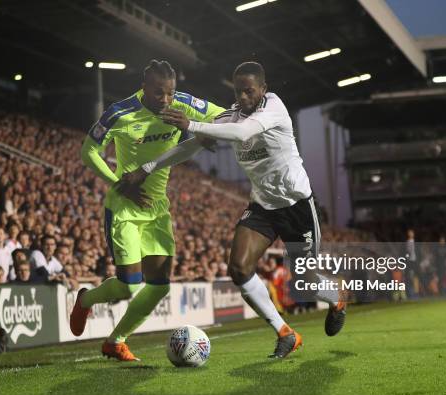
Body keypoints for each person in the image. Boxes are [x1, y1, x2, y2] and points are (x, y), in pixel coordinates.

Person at [120, 62, 346, 358]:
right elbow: (192, 146)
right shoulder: (230, 116)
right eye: (238, 91)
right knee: (239, 268)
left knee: (306, 284)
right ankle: (285, 333)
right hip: (263, 207)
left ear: (263, 89)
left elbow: (242, 133)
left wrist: (191, 123)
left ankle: (336, 297)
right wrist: (147, 168)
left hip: (297, 207)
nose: (243, 97)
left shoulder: (274, 107)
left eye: (249, 91)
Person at [70, 59, 225, 361]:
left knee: (158, 286)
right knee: (129, 286)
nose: (165, 100)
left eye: (170, 93)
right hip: (124, 207)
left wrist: (204, 130)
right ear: (143, 88)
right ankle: (85, 299)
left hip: (157, 208)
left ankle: (115, 341)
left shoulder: (181, 104)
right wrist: (118, 183)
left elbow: (223, 115)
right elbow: (88, 151)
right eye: (158, 93)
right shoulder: (120, 112)